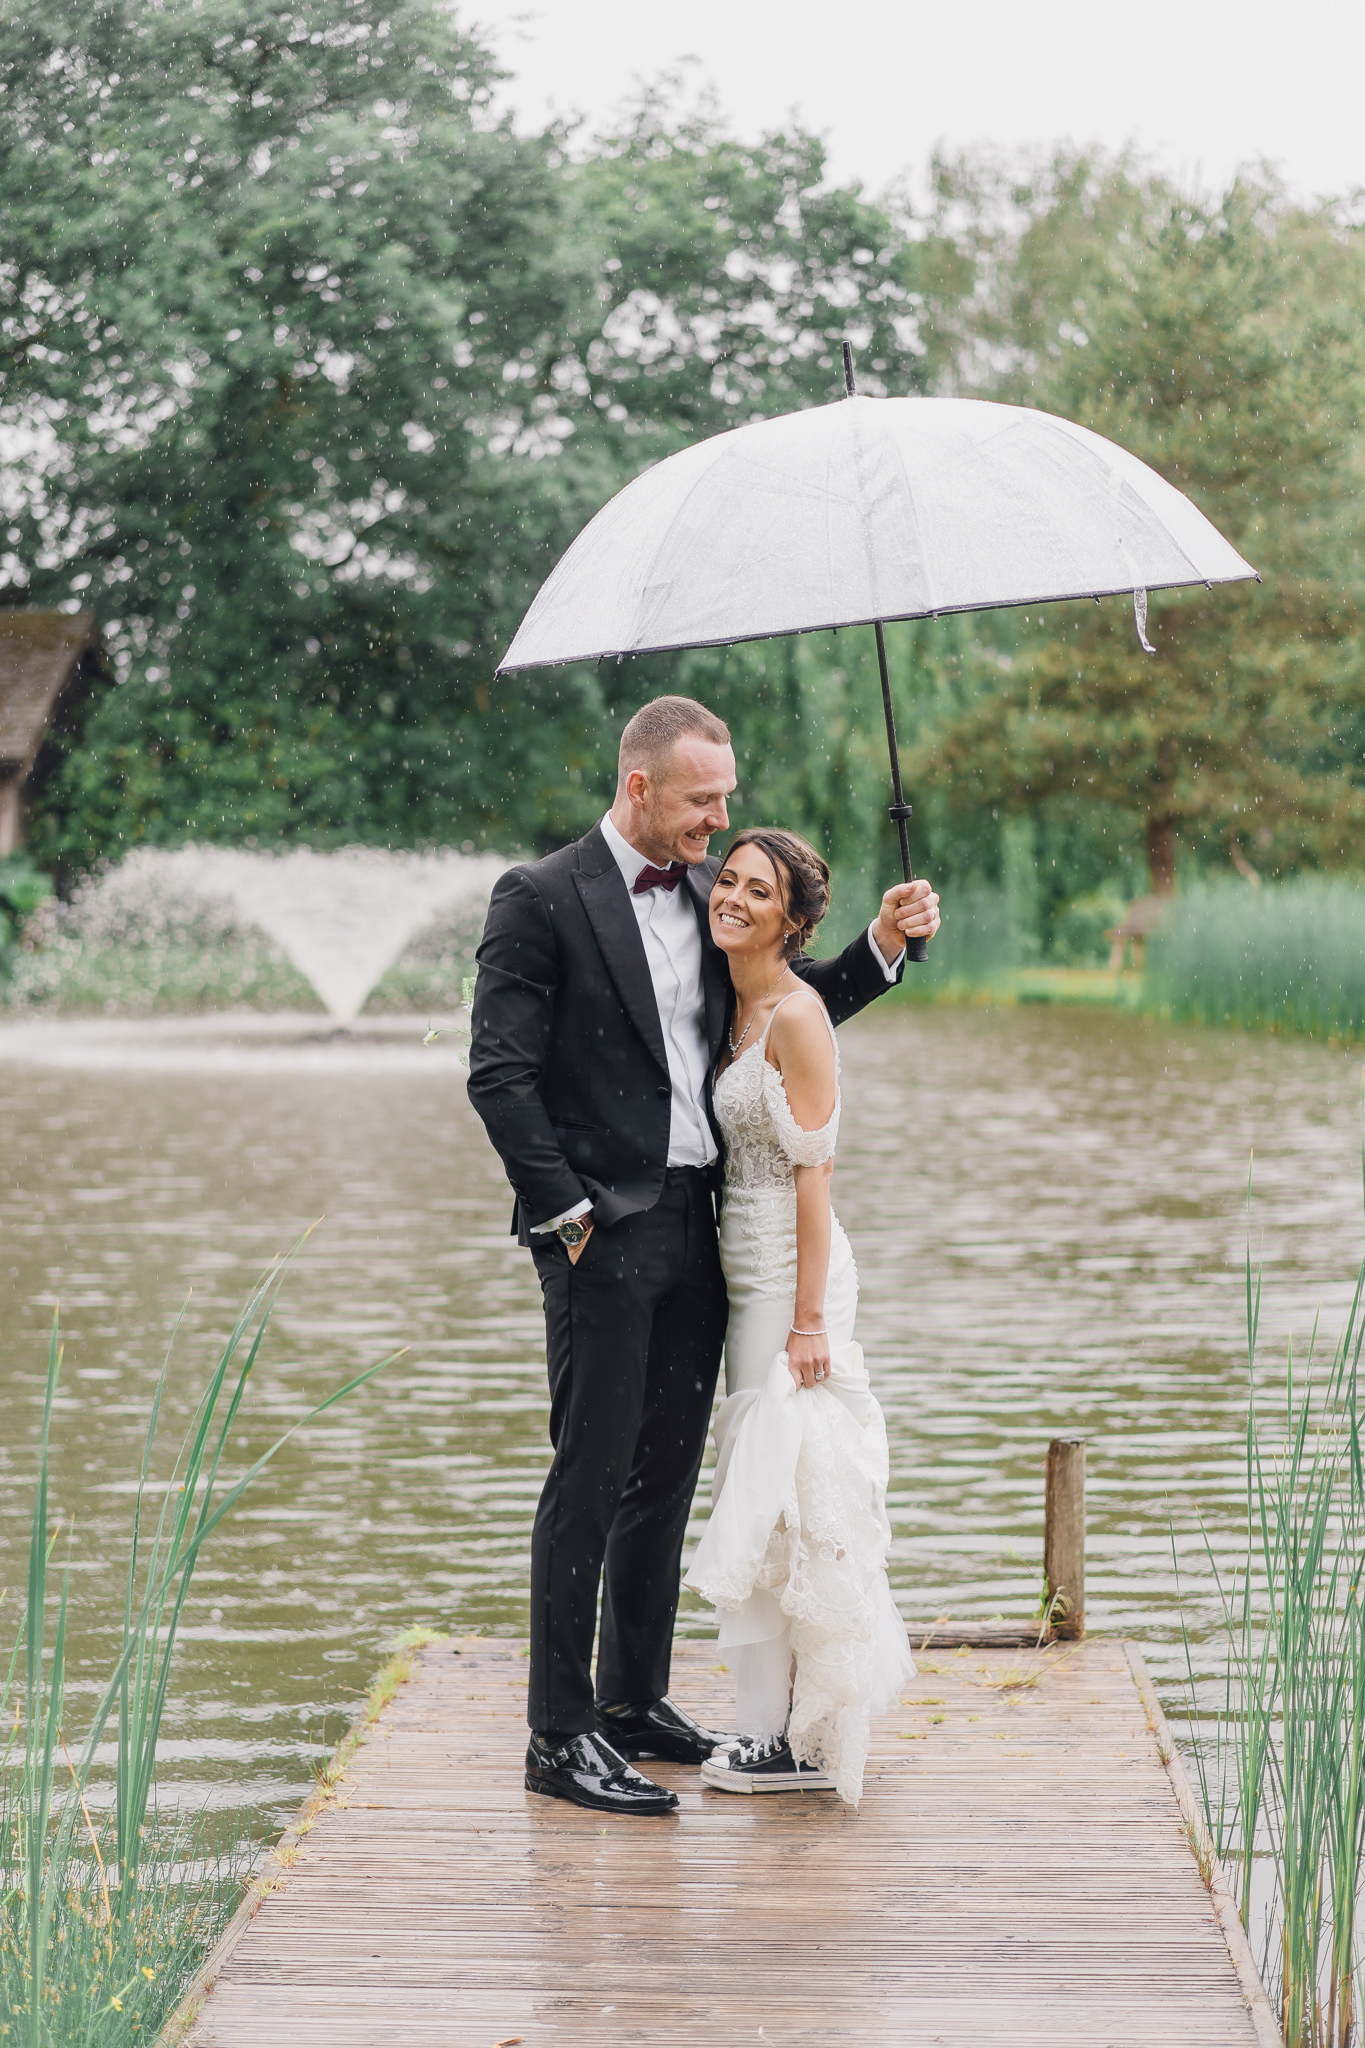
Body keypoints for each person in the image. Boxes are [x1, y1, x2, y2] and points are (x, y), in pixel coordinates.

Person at [466, 696, 939, 1818]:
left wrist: (884, 945)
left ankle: (631, 1702)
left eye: (723, 798)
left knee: (667, 1476)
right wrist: (568, 1216)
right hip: (598, 1234)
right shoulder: (539, 897)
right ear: (639, 786)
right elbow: (499, 1076)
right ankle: (559, 1734)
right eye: (701, 799)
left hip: (702, 1227)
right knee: (588, 1474)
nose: (720, 820)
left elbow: (784, 1013)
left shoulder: (700, 893)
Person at [685, 830, 915, 1805]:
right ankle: (774, 1728)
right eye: (728, 879)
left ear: (794, 919)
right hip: (741, 1270)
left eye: (758, 889)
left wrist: (810, 1320)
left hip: (792, 1274)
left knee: (786, 1492)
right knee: (761, 1485)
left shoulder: (797, 1016)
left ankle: (782, 1736)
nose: (732, 897)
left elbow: (815, 1177)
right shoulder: (728, 999)